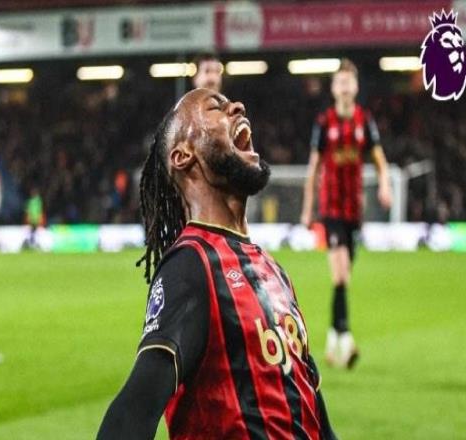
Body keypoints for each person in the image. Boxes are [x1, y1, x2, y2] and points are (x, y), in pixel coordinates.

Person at [97, 88, 337, 440]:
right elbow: (132, 414)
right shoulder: (191, 265)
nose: (237, 106)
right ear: (182, 156)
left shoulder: (274, 271)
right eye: (215, 107)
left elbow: (318, 418)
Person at [300, 59, 392, 369]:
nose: (344, 86)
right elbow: (314, 168)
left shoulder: (364, 120)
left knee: (342, 279)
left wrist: (385, 185)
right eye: (339, 81)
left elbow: (380, 160)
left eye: (349, 81)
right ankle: (347, 339)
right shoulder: (324, 122)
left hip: (354, 210)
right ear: (333, 88)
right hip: (331, 208)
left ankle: (332, 337)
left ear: (355, 87)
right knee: (340, 275)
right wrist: (307, 209)